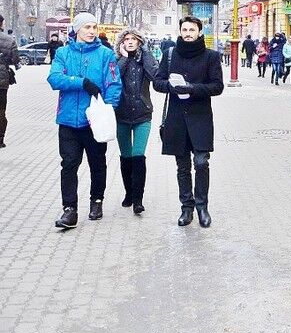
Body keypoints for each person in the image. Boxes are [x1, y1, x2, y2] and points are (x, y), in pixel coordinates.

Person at [48, 12, 123, 229]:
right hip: (69, 119)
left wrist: (108, 109)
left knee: (97, 163)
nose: (91, 31)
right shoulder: (63, 53)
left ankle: (96, 201)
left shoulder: (105, 54)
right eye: (87, 27)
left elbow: (113, 84)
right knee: (69, 164)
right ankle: (69, 209)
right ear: (77, 29)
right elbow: (54, 78)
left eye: (94, 27)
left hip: (94, 121)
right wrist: (81, 82)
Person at [153, 16, 224, 228]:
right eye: (184, 29)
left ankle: (202, 207)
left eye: (192, 30)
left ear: (200, 32)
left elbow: (217, 86)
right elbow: (157, 82)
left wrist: (192, 88)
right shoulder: (169, 55)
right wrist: (171, 87)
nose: (188, 33)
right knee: (182, 167)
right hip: (176, 119)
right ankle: (186, 208)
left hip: (200, 117)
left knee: (201, 163)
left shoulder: (211, 56)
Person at [114, 27, 158, 215]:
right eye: (126, 39)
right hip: (121, 115)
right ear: (121, 43)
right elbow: (113, 77)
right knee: (126, 156)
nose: (130, 42)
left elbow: (155, 76)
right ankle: (129, 193)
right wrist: (124, 58)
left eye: (134, 39)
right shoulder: (116, 60)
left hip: (142, 114)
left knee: (138, 155)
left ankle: (138, 199)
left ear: (140, 42)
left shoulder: (145, 60)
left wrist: (146, 52)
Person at [0, 16, 19, 148]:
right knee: (1, 111)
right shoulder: (9, 40)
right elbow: (15, 59)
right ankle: (0, 139)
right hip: (2, 81)